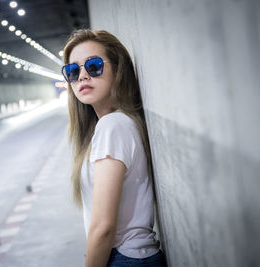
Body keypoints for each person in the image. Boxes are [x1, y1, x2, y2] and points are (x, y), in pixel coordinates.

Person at [61, 29, 167, 267]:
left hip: (125, 258)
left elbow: (103, 227)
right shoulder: (114, 124)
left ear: (118, 70)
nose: (82, 76)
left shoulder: (113, 126)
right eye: (72, 70)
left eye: (94, 66)